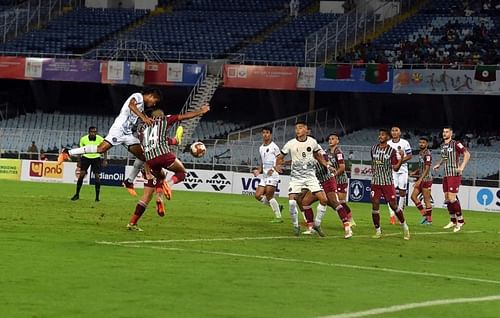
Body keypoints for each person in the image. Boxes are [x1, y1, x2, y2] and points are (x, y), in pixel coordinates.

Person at [58, 88, 162, 196]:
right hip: (119, 129)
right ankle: (67, 152)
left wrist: (146, 118)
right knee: (100, 149)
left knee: (144, 156)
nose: (154, 104)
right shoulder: (138, 96)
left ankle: (129, 182)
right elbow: (131, 105)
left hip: (127, 133)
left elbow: (139, 112)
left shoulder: (142, 105)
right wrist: (144, 118)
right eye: (155, 100)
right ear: (151, 95)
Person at [138, 106, 210, 199]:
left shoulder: (143, 129)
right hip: (163, 154)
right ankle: (168, 184)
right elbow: (184, 116)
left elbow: (151, 143)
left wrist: (174, 141)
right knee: (182, 173)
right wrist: (201, 111)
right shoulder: (164, 119)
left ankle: (159, 198)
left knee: (160, 177)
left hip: (150, 159)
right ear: (162, 115)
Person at [274, 121, 331, 236]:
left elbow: (317, 155)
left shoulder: (312, 142)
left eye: (300, 128)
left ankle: (317, 224)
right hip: (296, 178)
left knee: (324, 200)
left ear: (306, 130)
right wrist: (277, 165)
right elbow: (280, 156)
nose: (297, 130)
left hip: (310, 177)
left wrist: (327, 165)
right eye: (296, 128)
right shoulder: (290, 144)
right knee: (291, 203)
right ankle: (296, 226)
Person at [370, 129, 410, 240]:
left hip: (387, 182)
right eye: (379, 134)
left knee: (394, 205)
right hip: (375, 182)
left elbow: (396, 169)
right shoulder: (373, 148)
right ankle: (378, 230)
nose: (380, 136)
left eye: (383, 135)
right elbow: (373, 163)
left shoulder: (391, 151)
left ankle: (405, 227)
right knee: (375, 205)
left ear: (387, 137)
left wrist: (401, 159)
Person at [433, 126, 470, 232]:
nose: (444, 133)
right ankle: (453, 220)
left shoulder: (456, 143)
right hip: (446, 174)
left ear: (451, 133)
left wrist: (462, 167)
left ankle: (461, 221)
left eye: (447, 132)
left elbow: (467, 154)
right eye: (443, 132)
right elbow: (444, 157)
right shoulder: (442, 145)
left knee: (452, 198)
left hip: (454, 173)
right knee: (447, 198)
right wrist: (438, 164)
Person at [252, 126, 283, 223]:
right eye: (264, 132)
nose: (265, 134)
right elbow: (263, 161)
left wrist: (274, 168)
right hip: (265, 176)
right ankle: (277, 206)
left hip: (273, 174)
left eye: (267, 132)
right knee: (257, 195)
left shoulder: (274, 147)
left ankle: (278, 217)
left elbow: (281, 159)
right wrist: (259, 170)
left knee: (269, 195)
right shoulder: (261, 148)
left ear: (271, 134)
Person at [71, 126, 106, 202]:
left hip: (96, 158)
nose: (93, 133)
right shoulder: (83, 139)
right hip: (86, 157)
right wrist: (79, 161)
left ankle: (97, 197)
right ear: (89, 132)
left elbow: (105, 149)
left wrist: (105, 159)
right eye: (92, 132)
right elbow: (79, 150)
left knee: (97, 177)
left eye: (95, 132)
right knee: (81, 175)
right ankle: (77, 194)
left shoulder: (100, 139)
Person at [387, 126, 412, 225]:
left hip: (403, 171)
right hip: (392, 171)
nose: (394, 132)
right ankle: (392, 214)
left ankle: (400, 212)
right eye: (392, 130)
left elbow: (410, 156)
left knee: (402, 192)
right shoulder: (388, 144)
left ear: (400, 132)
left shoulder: (405, 143)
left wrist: (400, 161)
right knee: (390, 192)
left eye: (396, 130)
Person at [328, 133, 355, 226]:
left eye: (333, 139)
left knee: (341, 202)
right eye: (329, 139)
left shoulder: (338, 152)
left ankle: (350, 220)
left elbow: (342, 167)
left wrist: (333, 174)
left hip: (341, 180)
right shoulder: (327, 152)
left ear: (337, 141)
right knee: (332, 201)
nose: (330, 140)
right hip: (332, 180)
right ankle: (345, 219)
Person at [410, 137, 433, 225]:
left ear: (427, 144)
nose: (421, 144)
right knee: (413, 197)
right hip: (421, 178)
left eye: (423, 143)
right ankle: (424, 215)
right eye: (420, 142)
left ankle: (429, 220)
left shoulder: (427, 154)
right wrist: (415, 172)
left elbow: (427, 169)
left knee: (426, 200)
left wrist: (419, 180)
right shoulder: (420, 153)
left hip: (426, 179)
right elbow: (421, 167)